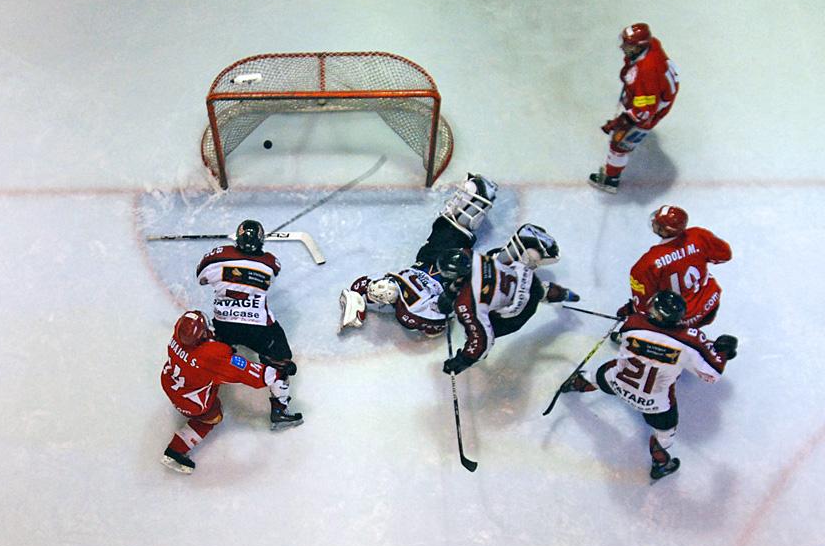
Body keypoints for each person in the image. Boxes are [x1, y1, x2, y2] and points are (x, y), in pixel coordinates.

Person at [561, 291, 738, 480]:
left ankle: (577, 382)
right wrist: (722, 351)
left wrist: (627, 312)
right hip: (653, 403)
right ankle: (661, 463)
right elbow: (711, 375)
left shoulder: (633, 323)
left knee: (602, 375)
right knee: (665, 431)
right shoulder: (689, 344)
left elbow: (623, 330)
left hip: (617, 383)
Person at [338, 173, 499, 336]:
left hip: (428, 260)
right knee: (493, 270)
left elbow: (357, 288)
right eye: (382, 291)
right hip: (451, 276)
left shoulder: (382, 286)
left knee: (445, 224)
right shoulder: (409, 312)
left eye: (378, 285)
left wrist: (355, 309)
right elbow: (437, 325)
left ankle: (479, 199)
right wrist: (449, 298)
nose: (382, 285)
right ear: (385, 301)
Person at [160, 310, 298, 474]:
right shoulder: (211, 356)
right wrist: (278, 371)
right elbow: (248, 373)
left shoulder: (178, 336)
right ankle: (176, 450)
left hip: (170, 382)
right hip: (193, 401)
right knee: (212, 416)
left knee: (207, 374)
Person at [196, 219, 303, 428]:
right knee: (282, 359)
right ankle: (280, 409)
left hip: (224, 324)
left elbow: (200, 278)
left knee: (215, 356)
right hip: (258, 329)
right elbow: (271, 278)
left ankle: (205, 394)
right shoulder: (271, 263)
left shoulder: (217, 255)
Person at [438, 230, 580, 376]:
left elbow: (482, 339)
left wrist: (464, 360)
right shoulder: (470, 255)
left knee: (478, 330)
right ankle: (563, 294)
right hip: (527, 279)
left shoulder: (467, 303)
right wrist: (450, 293)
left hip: (520, 311)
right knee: (537, 291)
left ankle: (551, 295)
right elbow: (469, 279)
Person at [588, 23, 680, 193]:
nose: (623, 47)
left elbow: (643, 113)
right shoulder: (652, 45)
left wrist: (618, 123)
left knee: (619, 144)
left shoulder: (646, 75)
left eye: (628, 45)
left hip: (650, 112)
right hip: (655, 94)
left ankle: (610, 179)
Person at [618, 205, 732, 329]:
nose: (653, 222)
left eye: (656, 222)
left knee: (647, 319)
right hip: (711, 303)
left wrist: (632, 310)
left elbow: (644, 308)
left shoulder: (647, 264)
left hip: (680, 320)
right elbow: (725, 255)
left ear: (664, 231)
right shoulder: (699, 235)